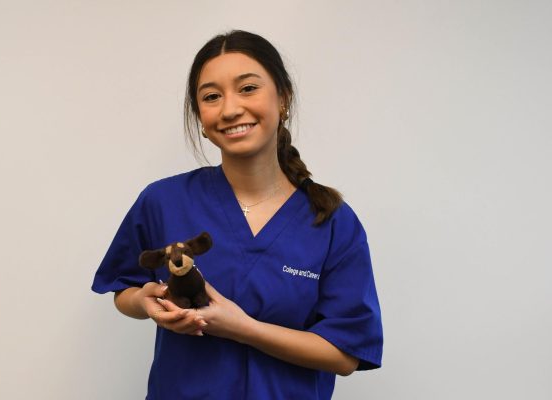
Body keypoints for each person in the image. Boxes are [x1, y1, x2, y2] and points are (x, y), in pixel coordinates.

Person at [92, 30, 383, 400]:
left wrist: (243, 328)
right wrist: (146, 300)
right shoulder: (163, 201)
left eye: (247, 88)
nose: (230, 109)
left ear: (283, 98)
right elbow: (124, 290)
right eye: (212, 96)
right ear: (201, 117)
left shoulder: (332, 222)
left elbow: (345, 355)